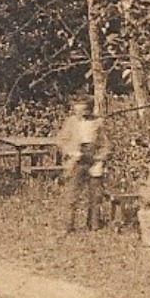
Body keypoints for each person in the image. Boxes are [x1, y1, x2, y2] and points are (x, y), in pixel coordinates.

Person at [58, 98, 105, 233]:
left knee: (95, 195)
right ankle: (68, 226)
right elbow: (61, 141)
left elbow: (106, 144)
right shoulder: (71, 122)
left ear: (89, 110)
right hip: (77, 160)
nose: (79, 113)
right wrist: (71, 152)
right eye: (76, 110)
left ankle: (93, 225)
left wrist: (100, 158)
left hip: (93, 159)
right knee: (72, 194)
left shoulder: (97, 123)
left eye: (83, 110)